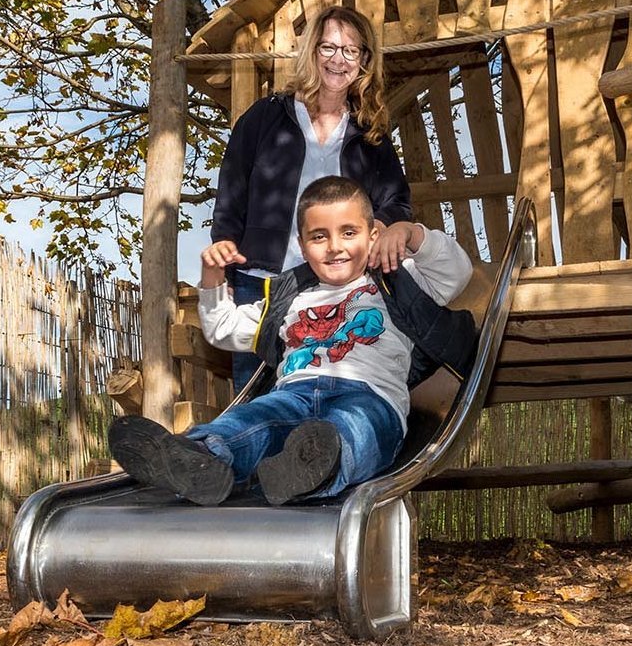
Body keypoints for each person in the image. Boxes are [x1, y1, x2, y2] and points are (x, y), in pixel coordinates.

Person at [109, 176, 474, 507]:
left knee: (358, 430)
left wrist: (410, 233)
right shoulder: (289, 297)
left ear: (372, 236)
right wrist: (213, 277)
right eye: (319, 237)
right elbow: (223, 329)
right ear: (302, 245)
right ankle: (200, 459)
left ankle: (315, 470)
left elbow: (457, 273)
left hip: (369, 396)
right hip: (292, 396)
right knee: (251, 421)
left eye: (349, 232)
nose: (334, 247)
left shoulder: (400, 280)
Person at [209, 5, 412, 391]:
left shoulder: (369, 136)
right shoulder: (264, 118)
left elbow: (397, 203)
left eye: (351, 51)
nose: (339, 60)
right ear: (311, 52)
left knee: (318, 393)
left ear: (364, 61)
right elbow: (231, 196)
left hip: (333, 289)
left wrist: (380, 231)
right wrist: (225, 270)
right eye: (328, 48)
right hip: (261, 284)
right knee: (252, 396)